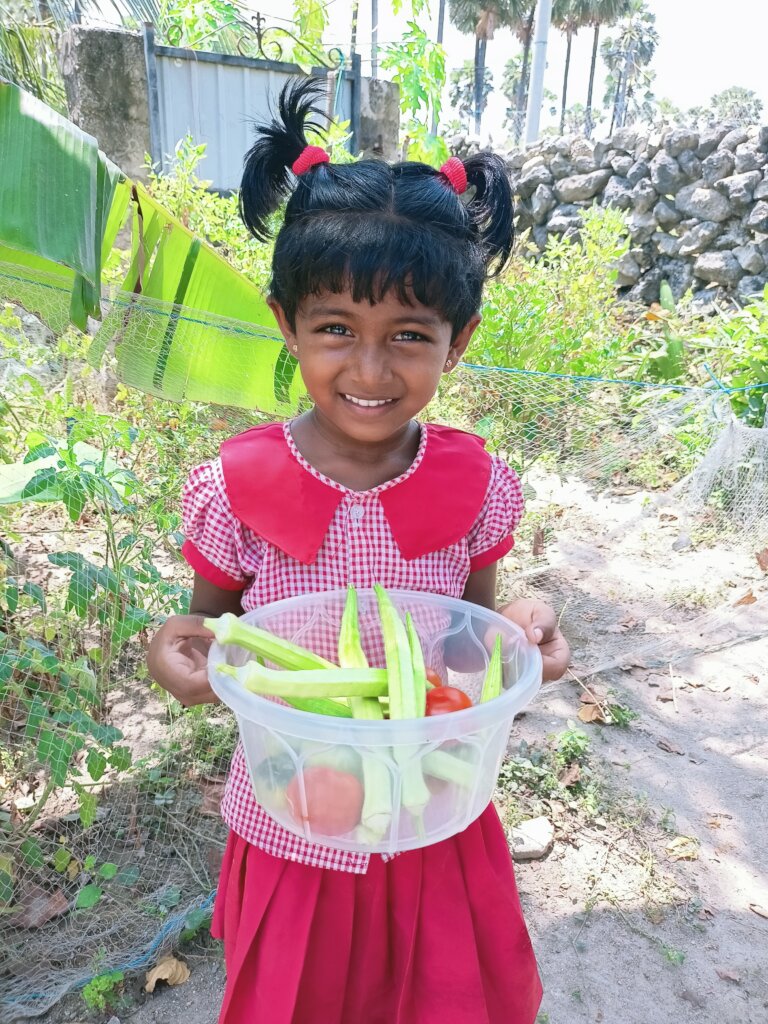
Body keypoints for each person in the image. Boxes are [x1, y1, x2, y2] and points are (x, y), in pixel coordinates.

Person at [147, 78, 570, 1024]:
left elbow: (472, 632)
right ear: (285, 320)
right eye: (336, 329)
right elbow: (208, 632)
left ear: (458, 341)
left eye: (408, 337)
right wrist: (173, 649)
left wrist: (524, 632)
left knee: (438, 996)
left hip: (433, 807)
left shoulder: (475, 486)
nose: (370, 370)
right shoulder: (236, 486)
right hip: (297, 811)